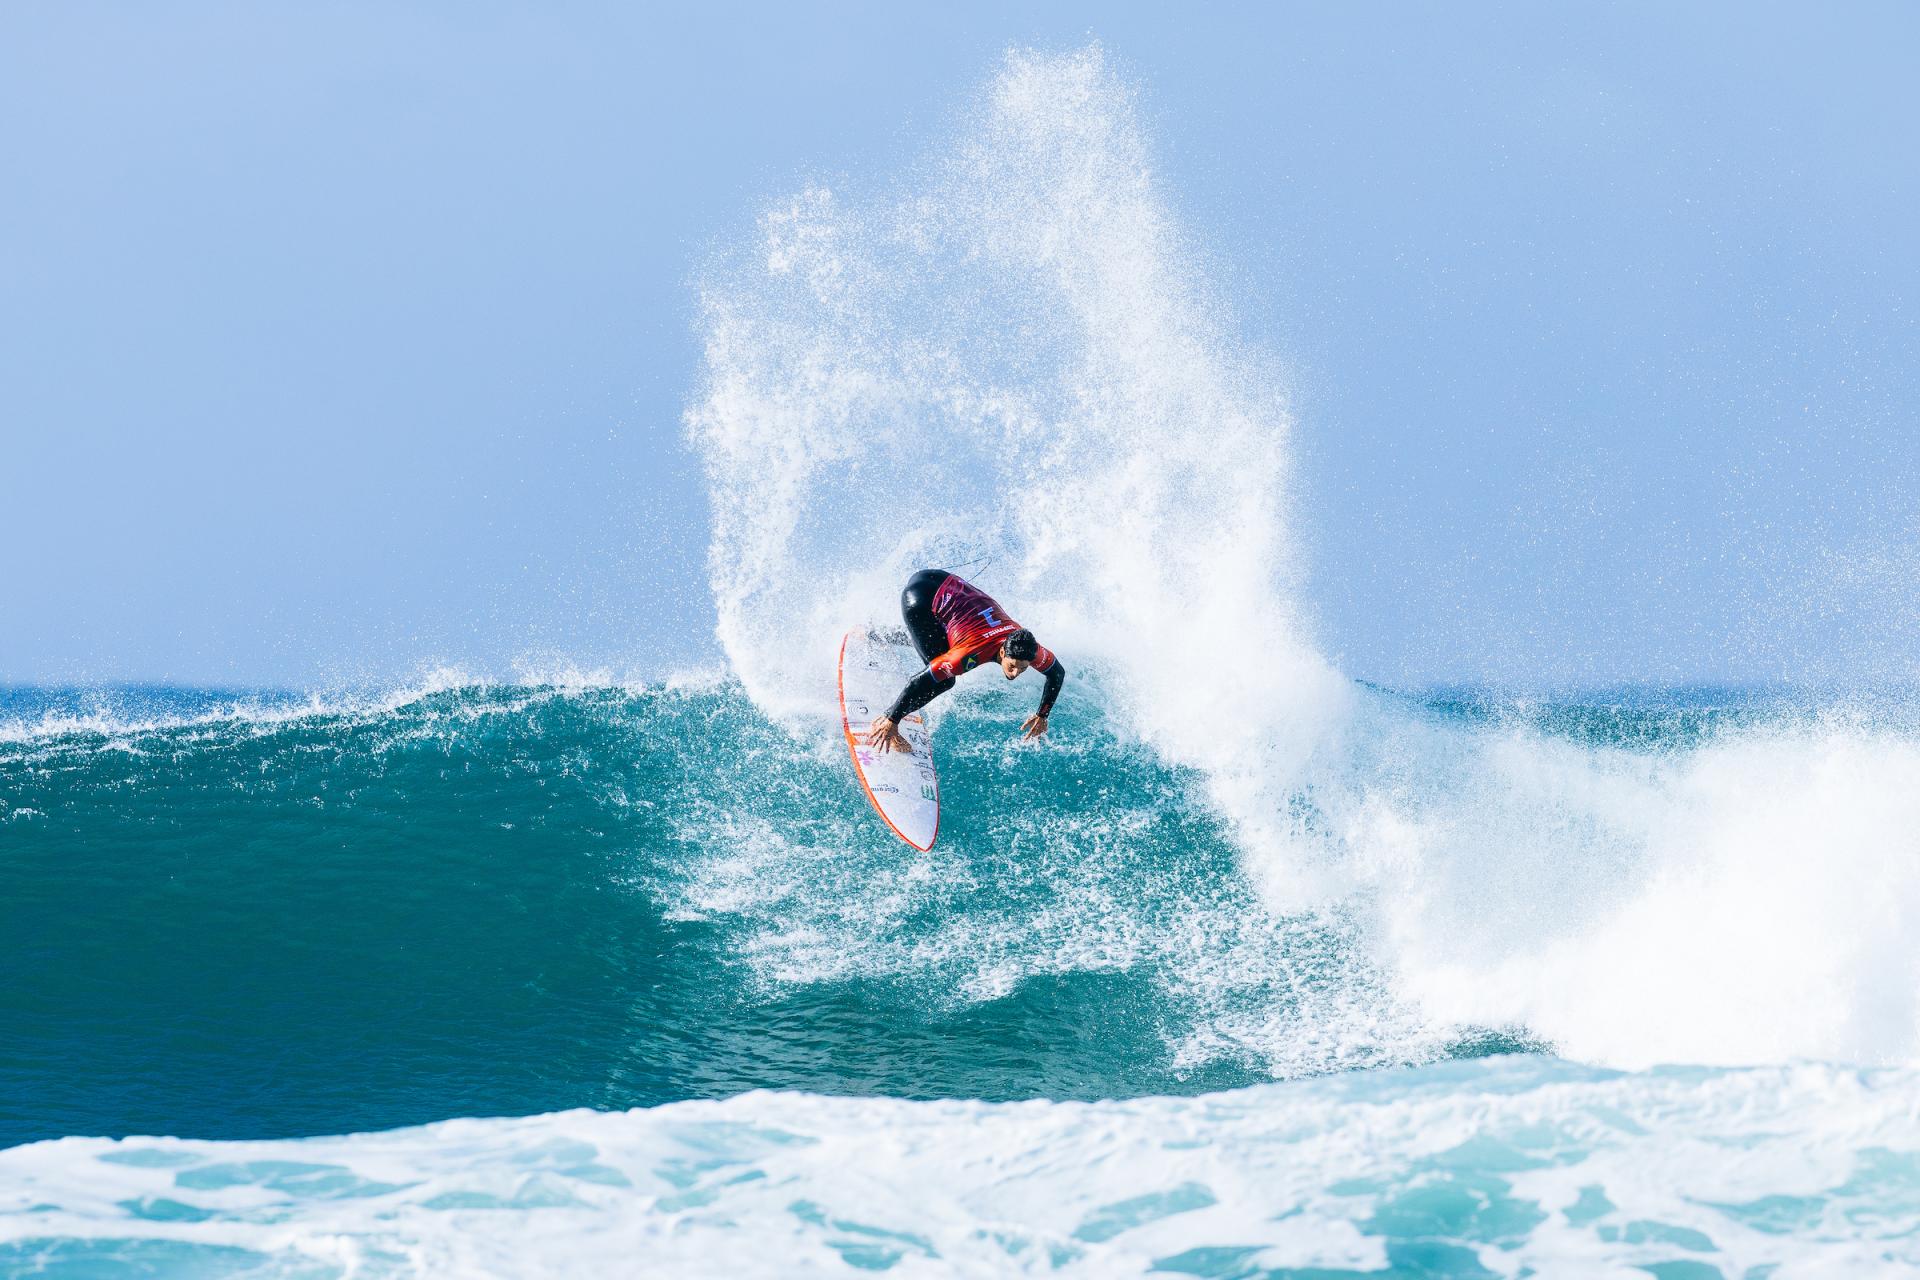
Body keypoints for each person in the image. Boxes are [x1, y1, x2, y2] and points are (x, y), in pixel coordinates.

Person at [866, 569, 1066, 753]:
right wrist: (892, 718)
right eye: (1012, 666)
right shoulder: (970, 654)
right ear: (1003, 653)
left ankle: (878, 634)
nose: (1015, 673)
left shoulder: (1030, 648)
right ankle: (885, 721)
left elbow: (1057, 673)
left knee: (935, 643)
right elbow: (919, 681)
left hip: (945, 583)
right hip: (923, 597)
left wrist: (1042, 715)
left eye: (1023, 669)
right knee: (944, 680)